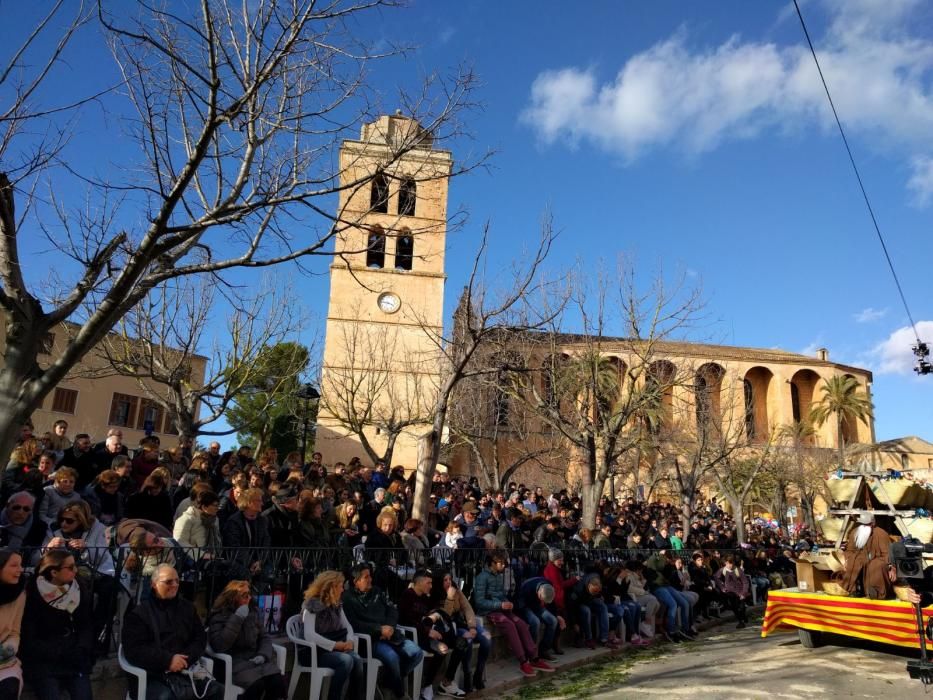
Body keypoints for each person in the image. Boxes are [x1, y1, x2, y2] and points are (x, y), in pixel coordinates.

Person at [122, 564, 223, 700]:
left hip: (186, 671)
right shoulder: (139, 614)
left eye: (177, 580)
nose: (175, 585)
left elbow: (200, 638)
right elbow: (134, 650)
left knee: (216, 691)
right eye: (169, 581)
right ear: (154, 584)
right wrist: (168, 660)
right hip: (151, 674)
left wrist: (185, 659)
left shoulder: (187, 608)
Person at [341, 563, 424, 700]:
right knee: (392, 657)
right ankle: (400, 694)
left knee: (417, 653)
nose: (370, 580)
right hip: (370, 641)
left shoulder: (377, 592)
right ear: (356, 581)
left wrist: (390, 627)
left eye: (370, 576)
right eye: (366, 577)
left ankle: (387, 682)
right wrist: (379, 630)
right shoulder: (348, 598)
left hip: (391, 635)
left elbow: (392, 610)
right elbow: (353, 624)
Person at [20, 550, 95, 700]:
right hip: (45, 660)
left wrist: (81, 648)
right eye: (70, 567)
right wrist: (58, 652)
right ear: (54, 572)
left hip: (74, 657)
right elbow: (29, 636)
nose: (75, 570)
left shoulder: (78, 588)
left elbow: (86, 625)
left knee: (83, 695)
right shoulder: (33, 594)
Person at [473, 550, 554, 678]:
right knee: (509, 624)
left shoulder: (498, 576)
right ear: (492, 563)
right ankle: (523, 661)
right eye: (501, 563)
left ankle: (534, 658)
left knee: (521, 624)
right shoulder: (482, 577)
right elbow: (479, 602)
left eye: (504, 563)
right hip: (489, 611)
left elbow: (501, 595)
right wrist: (500, 605)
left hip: (502, 608)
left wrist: (506, 602)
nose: (504, 565)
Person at [206, 580, 287, 699]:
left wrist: (263, 655)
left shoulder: (253, 612)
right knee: (256, 685)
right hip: (232, 663)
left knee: (277, 681)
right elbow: (219, 645)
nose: (248, 598)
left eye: (249, 594)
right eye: (244, 596)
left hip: (253, 660)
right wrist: (237, 618)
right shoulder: (220, 615)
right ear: (233, 598)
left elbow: (264, 637)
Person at [399, 570, 465, 700]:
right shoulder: (407, 596)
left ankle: (447, 682)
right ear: (418, 583)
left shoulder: (426, 597)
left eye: (431, 583)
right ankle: (427, 686)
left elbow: (436, 612)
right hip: (416, 635)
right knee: (442, 649)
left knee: (461, 643)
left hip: (432, 632)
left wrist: (434, 617)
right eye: (428, 583)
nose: (431, 586)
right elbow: (407, 621)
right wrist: (428, 630)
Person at [302, 571, 364, 700]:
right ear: (331, 587)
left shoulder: (336, 604)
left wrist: (350, 641)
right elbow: (309, 635)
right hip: (314, 653)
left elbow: (348, 626)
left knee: (356, 659)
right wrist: (335, 645)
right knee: (346, 660)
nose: (343, 589)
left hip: (333, 649)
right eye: (340, 586)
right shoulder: (312, 605)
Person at [434, 570, 490, 693]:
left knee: (487, 638)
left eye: (450, 579)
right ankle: (467, 676)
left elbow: (467, 608)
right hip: (452, 627)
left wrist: (472, 626)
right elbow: (446, 617)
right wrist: (449, 598)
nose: (449, 582)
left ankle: (478, 674)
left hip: (464, 623)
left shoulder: (456, 590)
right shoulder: (436, 594)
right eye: (445, 580)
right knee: (467, 640)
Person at [841, 512, 894, 599]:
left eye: (867, 524)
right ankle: (853, 589)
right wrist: (847, 559)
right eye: (863, 524)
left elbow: (887, 553)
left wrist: (891, 566)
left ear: (873, 523)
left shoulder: (881, 534)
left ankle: (875, 591)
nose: (864, 526)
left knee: (875, 565)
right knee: (854, 561)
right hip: (859, 557)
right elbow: (850, 550)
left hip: (877, 558)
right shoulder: (855, 532)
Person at [515, 578, 562, 660]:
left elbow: (551, 604)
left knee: (553, 620)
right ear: (539, 594)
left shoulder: (548, 586)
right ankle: (531, 651)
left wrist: (556, 615)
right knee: (535, 622)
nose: (544, 602)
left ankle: (543, 650)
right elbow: (520, 606)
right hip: (525, 606)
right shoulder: (526, 587)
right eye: (543, 600)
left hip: (537, 606)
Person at [0, 550, 25, 699]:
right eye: (14, 565)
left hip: (4, 661)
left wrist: (5, 651)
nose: (20, 570)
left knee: (9, 688)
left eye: (21, 565)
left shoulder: (19, 594)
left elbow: (15, 632)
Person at [713, 555, 750, 629]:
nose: (730, 565)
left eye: (731, 563)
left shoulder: (738, 570)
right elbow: (716, 577)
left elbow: (745, 582)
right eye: (727, 563)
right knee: (734, 607)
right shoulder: (722, 570)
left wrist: (744, 593)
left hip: (740, 591)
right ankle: (740, 621)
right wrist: (722, 587)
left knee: (741, 607)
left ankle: (743, 616)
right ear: (725, 563)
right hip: (730, 592)